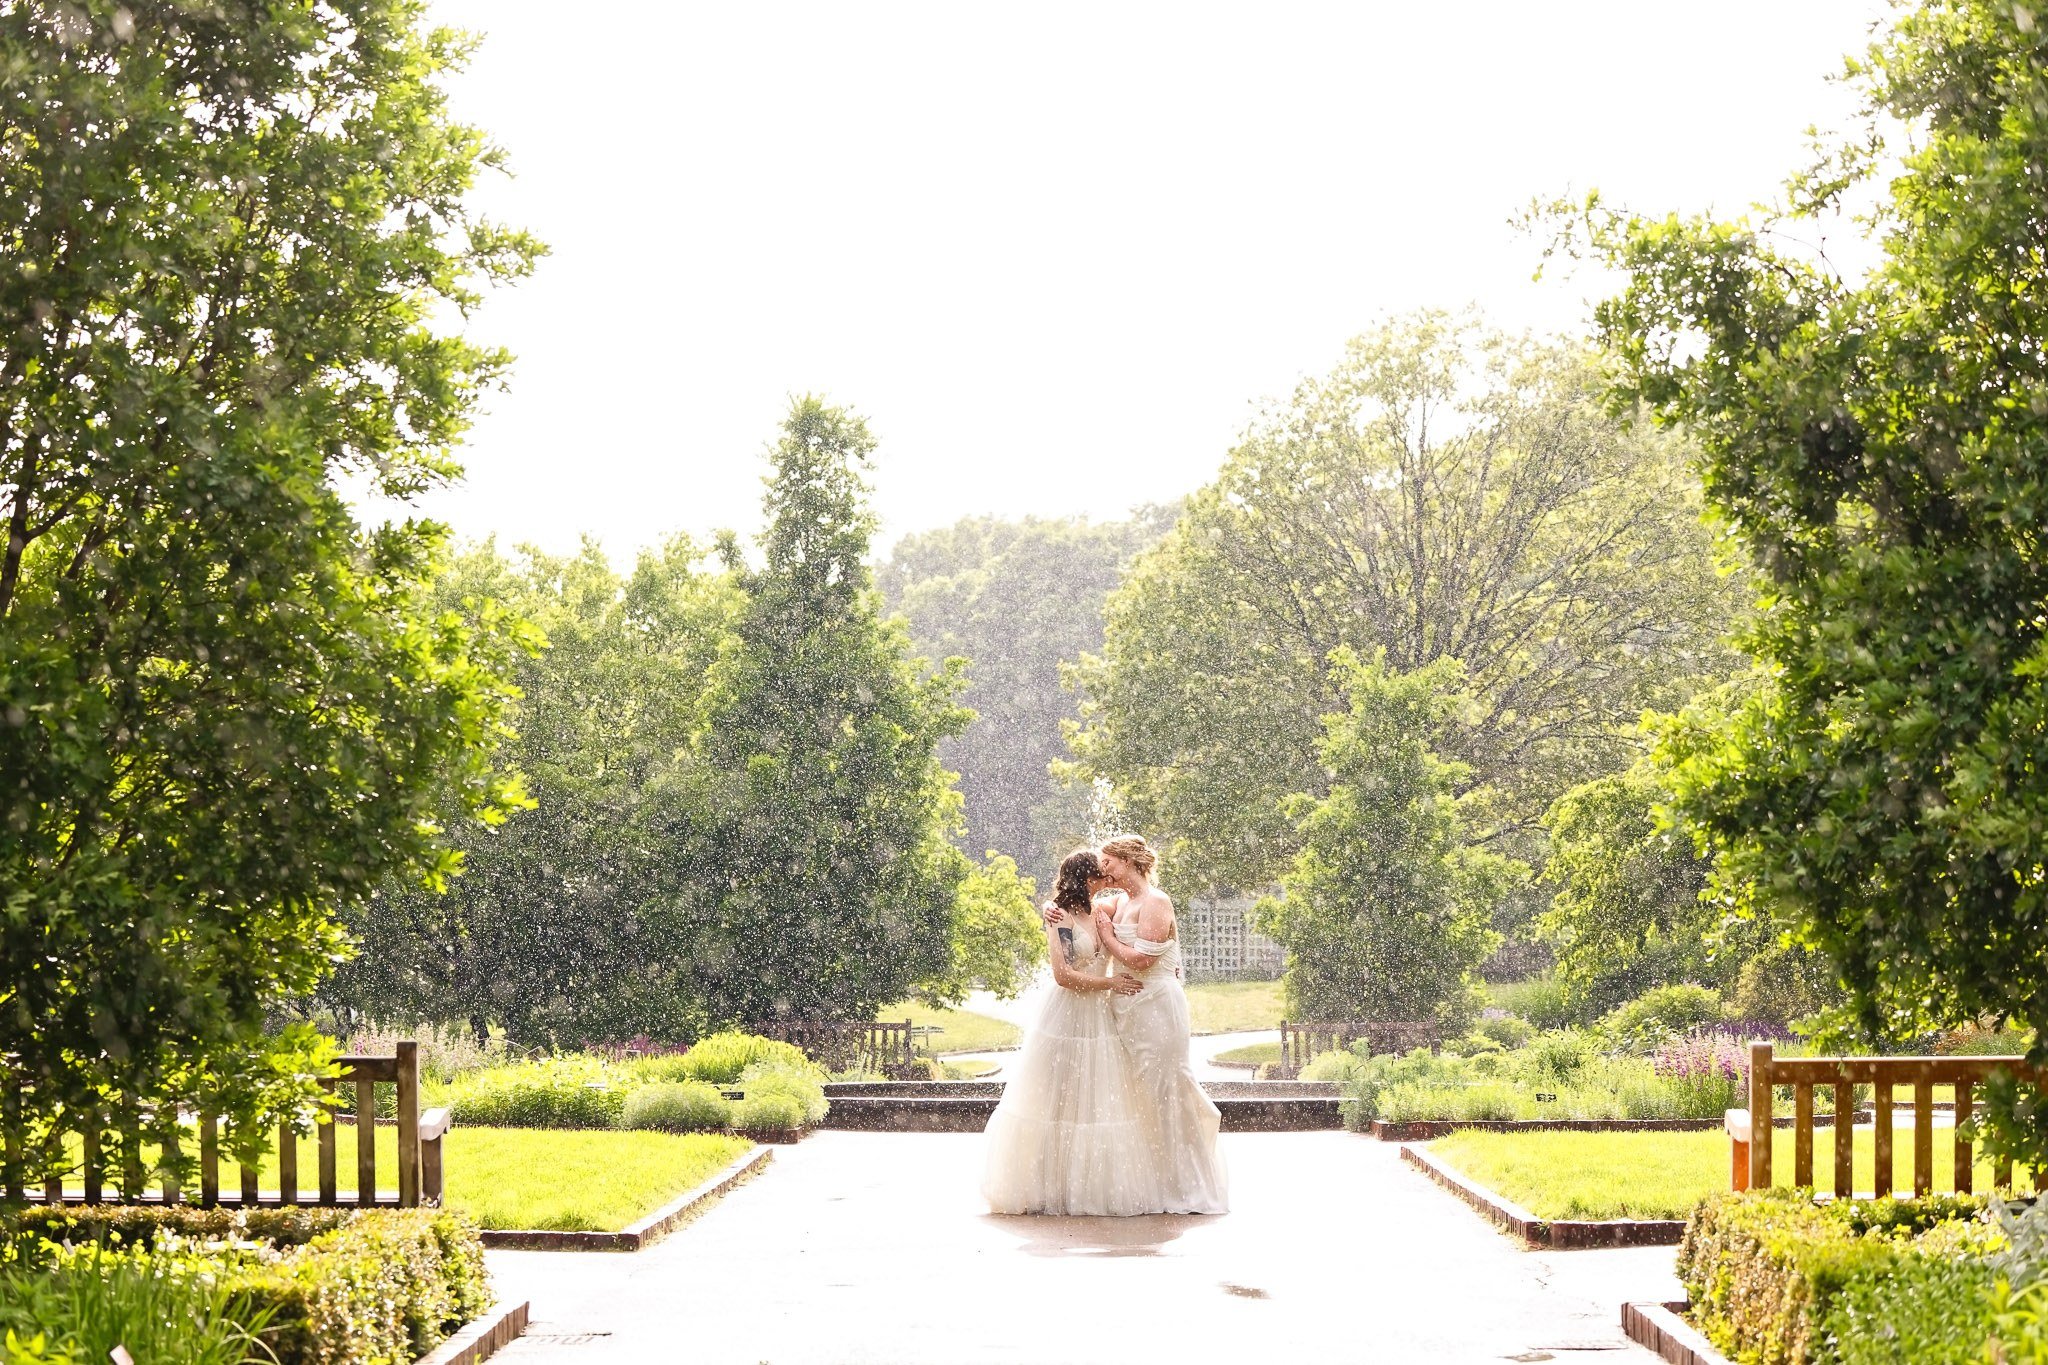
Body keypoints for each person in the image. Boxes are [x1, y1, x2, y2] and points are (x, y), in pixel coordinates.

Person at [981, 849, 1155, 1215]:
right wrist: (1110, 983)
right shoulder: (1059, 917)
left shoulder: (1099, 909)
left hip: (1097, 1018)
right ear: (1085, 878)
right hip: (1066, 1016)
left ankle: (1088, 1188)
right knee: (1055, 1098)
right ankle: (1046, 1187)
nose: (1107, 880)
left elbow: (1134, 903)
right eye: (1099, 875)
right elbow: (1063, 976)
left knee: (1094, 1098)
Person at [1089, 833, 1229, 1215]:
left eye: (1109, 863)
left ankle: (1184, 1184)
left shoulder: (1156, 901)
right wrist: (1053, 911)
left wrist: (1107, 937)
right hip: (1126, 1008)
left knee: (1165, 1090)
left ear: (1130, 860)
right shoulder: (1120, 900)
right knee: (1135, 1093)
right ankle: (1146, 1183)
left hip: (1157, 1008)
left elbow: (1140, 961)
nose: (1104, 871)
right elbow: (1077, 903)